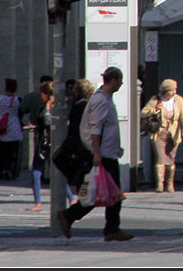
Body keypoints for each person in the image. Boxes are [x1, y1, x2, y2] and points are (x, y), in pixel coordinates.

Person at [58, 67, 131, 242]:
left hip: (108, 154)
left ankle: (111, 228)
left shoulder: (105, 99)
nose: (121, 83)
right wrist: (97, 153)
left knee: (110, 194)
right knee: (103, 194)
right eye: (120, 80)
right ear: (112, 80)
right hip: (102, 156)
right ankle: (69, 216)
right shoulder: (100, 101)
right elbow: (95, 129)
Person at [141, 79, 183, 193]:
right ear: (165, 91)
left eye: (175, 89)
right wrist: (155, 110)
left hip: (173, 134)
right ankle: (160, 185)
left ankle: (170, 184)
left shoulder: (179, 100)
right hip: (159, 133)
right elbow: (143, 112)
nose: (174, 92)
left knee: (170, 158)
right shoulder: (155, 100)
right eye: (171, 90)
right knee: (160, 158)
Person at [0, 78, 23, 180]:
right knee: (11, 151)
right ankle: (8, 169)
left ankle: (0, 170)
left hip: (0, 124)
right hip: (13, 126)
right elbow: (20, 113)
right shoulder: (18, 99)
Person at [28, 81, 55, 210]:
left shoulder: (52, 107)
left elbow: (48, 122)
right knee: (38, 173)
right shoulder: (44, 106)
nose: (40, 96)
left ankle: (38, 203)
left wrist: (48, 106)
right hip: (43, 141)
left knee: (39, 172)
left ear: (47, 94)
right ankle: (38, 202)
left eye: (42, 93)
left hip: (47, 144)